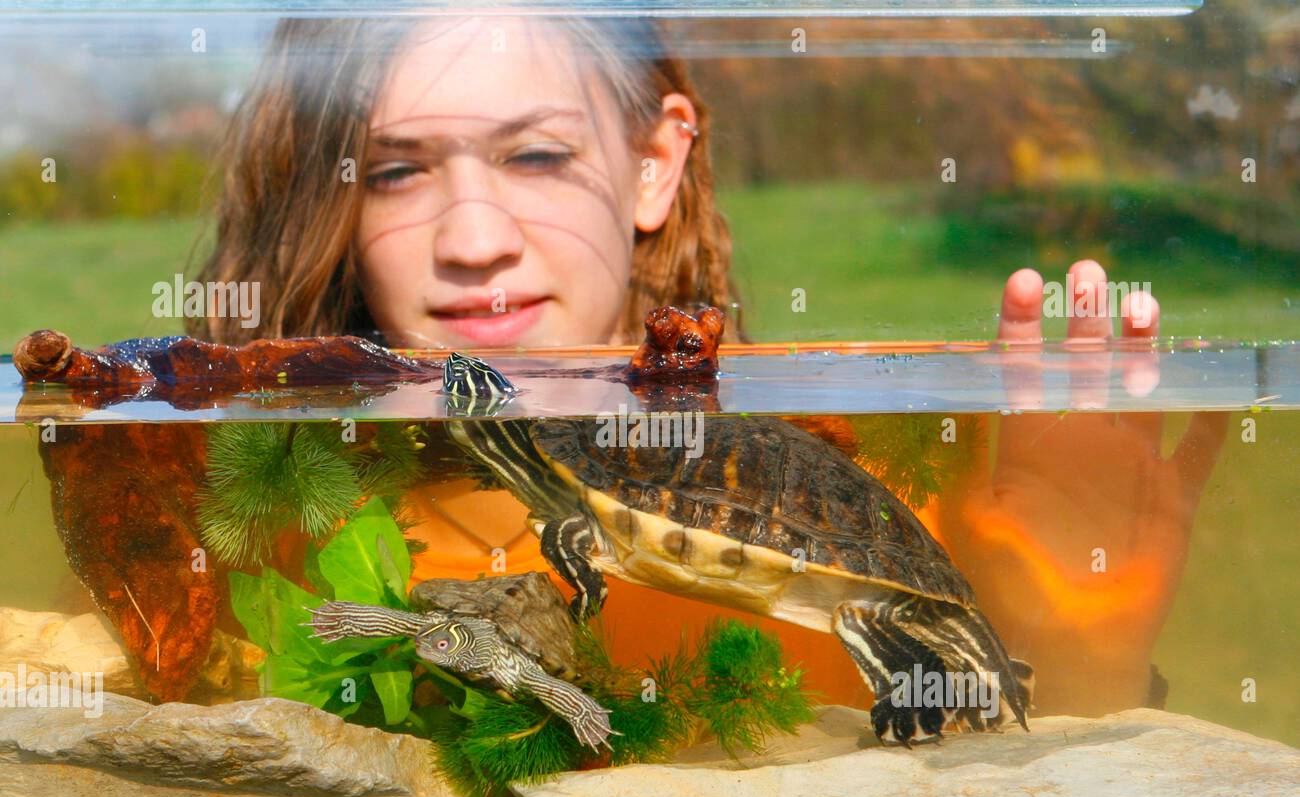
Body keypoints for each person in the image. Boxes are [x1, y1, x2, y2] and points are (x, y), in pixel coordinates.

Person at [193, 15, 1223, 719]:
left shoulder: (873, 504)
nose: (473, 237)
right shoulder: (247, 526)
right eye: (397, 170)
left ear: (653, 163)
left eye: (537, 155)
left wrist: (1088, 658)